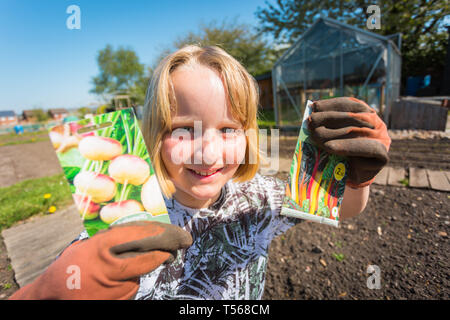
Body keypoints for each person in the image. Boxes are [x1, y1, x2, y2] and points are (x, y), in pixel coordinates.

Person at [10, 45, 390, 300]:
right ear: (155, 136)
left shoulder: (257, 198)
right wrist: (50, 291)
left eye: (228, 129)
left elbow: (342, 208)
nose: (208, 153)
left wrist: (353, 179)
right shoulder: (119, 219)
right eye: (182, 130)